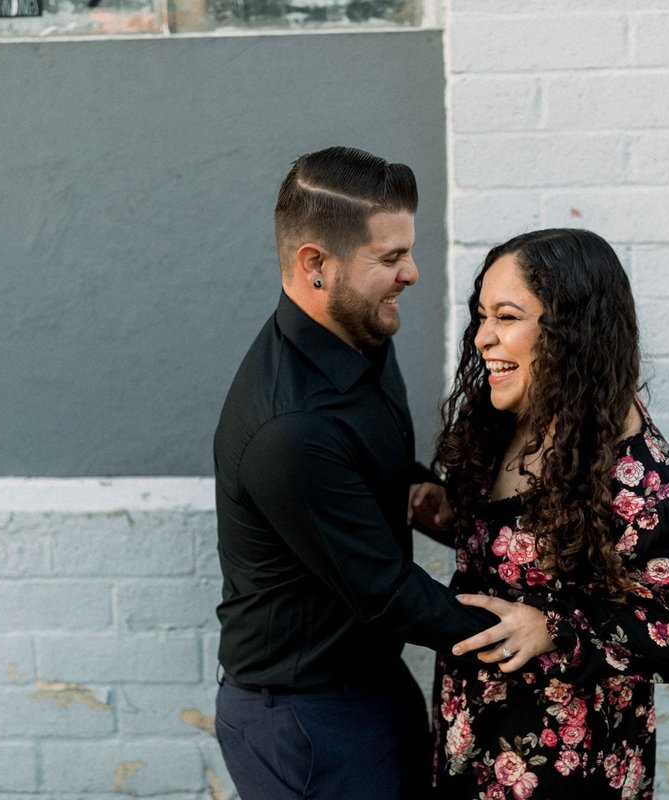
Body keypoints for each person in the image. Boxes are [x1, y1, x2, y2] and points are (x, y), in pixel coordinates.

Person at [429, 229, 669, 799]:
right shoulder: (504, 425)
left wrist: (559, 631)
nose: (484, 337)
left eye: (506, 317)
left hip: (572, 778)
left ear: (570, 333)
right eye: (481, 315)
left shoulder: (641, 481)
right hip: (472, 755)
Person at [212, 146, 497, 800]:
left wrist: (418, 490)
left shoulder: (363, 332)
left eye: (409, 252)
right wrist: (541, 627)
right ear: (316, 265)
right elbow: (387, 593)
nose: (414, 274)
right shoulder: (291, 427)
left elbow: (375, 466)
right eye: (391, 258)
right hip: (308, 721)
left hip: (370, 680)